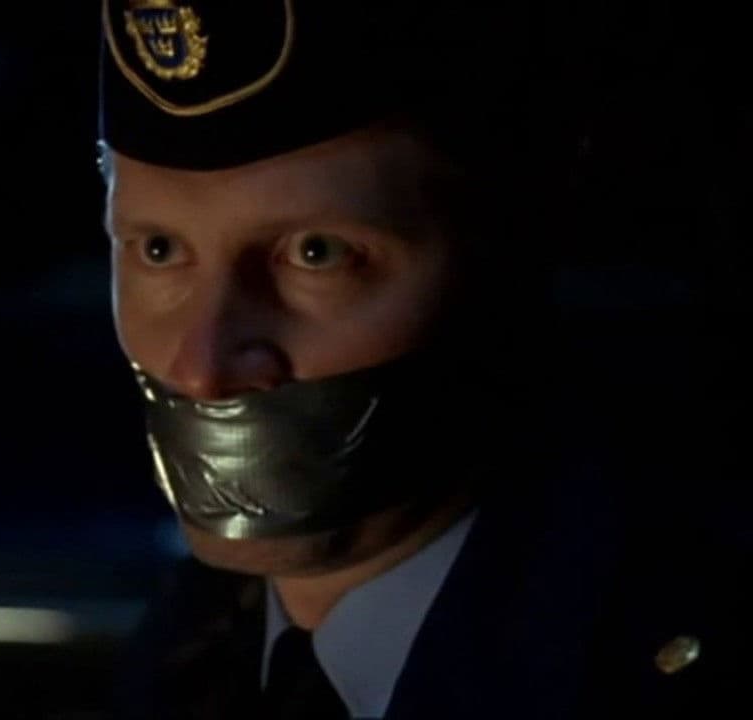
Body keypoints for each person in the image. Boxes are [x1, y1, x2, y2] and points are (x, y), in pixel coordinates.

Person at [96, 1, 749, 717]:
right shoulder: (192, 644)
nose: (203, 368)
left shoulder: (669, 642)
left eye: (318, 253)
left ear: (507, 246)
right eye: (158, 248)